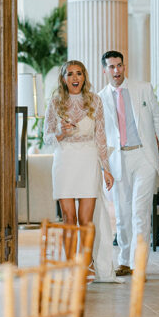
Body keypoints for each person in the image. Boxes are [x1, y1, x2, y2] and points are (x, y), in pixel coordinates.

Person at [98, 51, 159, 276]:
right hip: (118, 159)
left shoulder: (143, 88)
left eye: (119, 66)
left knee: (140, 212)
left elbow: (158, 118)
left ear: (124, 66)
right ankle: (125, 261)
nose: (117, 71)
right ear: (105, 70)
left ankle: (139, 266)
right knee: (122, 213)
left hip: (143, 157)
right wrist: (104, 165)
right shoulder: (99, 98)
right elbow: (99, 134)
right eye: (112, 67)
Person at [43, 61, 116, 279]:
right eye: (70, 74)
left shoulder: (95, 100)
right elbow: (46, 137)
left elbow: (101, 135)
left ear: (84, 77)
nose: (75, 78)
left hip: (88, 159)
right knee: (68, 217)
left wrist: (107, 168)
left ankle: (86, 263)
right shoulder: (55, 103)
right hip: (65, 160)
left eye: (79, 73)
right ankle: (69, 264)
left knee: (86, 219)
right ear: (63, 79)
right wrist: (61, 133)